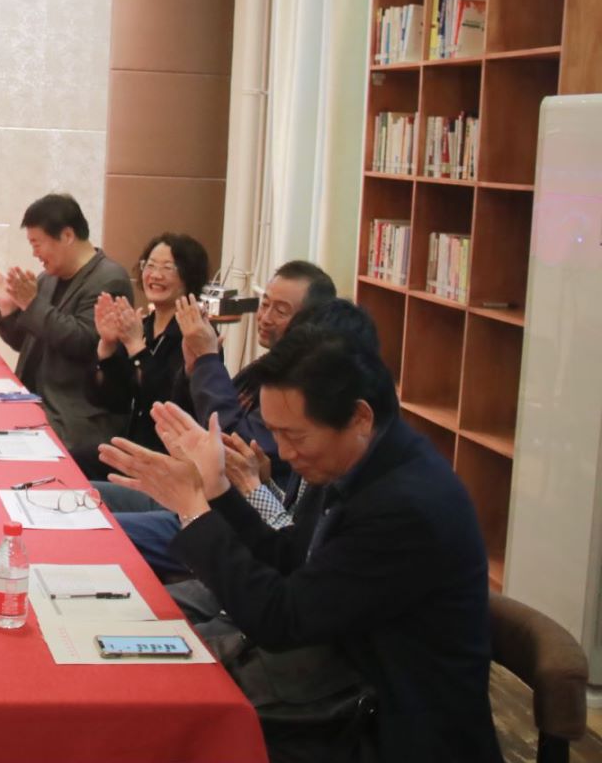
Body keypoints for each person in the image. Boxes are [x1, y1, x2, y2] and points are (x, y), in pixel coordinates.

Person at [99, 304, 501, 763]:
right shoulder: (362, 458)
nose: (285, 454)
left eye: (296, 437)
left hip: (387, 728)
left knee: (155, 726)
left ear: (359, 417)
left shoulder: (406, 505)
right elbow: (292, 557)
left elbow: (281, 621)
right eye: (275, 433)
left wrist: (194, 510)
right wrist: (216, 489)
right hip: (331, 687)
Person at [108, 260, 336, 573]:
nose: (266, 317)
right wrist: (193, 369)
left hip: (225, 516)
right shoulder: (264, 366)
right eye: (265, 304)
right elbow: (187, 416)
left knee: (104, 533)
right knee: (88, 502)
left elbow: (231, 440)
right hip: (198, 488)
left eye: (281, 311)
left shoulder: (299, 389)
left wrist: (207, 360)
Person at [0, 193, 133, 478]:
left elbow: (84, 343)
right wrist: (9, 308)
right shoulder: (48, 278)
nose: (34, 253)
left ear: (67, 235)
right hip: (34, 398)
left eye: (37, 243)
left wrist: (31, 305)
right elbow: (26, 342)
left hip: (73, 413)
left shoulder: (110, 279)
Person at [92, 232, 210, 454]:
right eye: (150, 265)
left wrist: (137, 348)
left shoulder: (198, 335)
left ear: (189, 276)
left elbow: (167, 403)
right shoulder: (144, 326)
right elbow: (111, 401)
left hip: (173, 454)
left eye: (167, 268)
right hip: (133, 444)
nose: (155, 275)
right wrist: (107, 346)